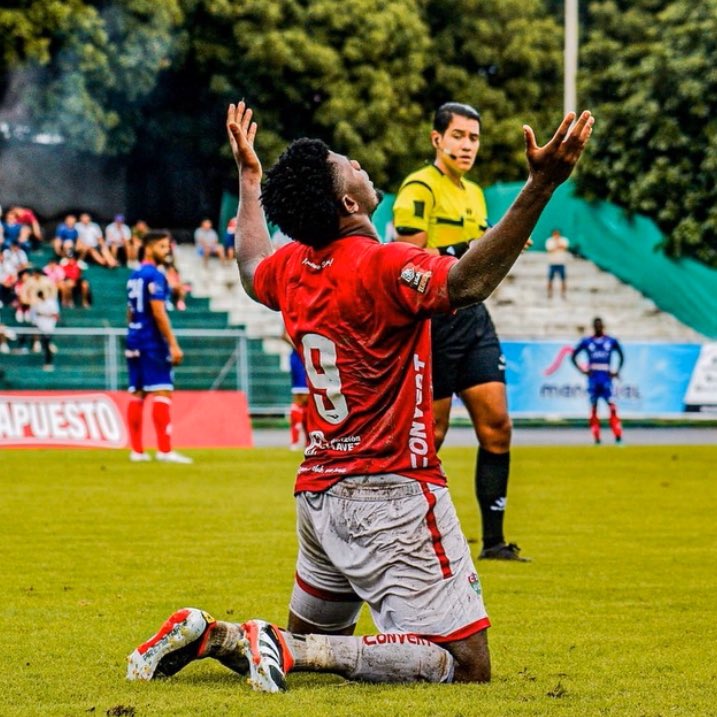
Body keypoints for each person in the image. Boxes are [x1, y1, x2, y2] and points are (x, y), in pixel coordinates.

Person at [126, 101, 593, 690]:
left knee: (316, 642)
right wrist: (541, 185)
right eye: (346, 164)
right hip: (391, 489)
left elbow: (249, 265)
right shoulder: (382, 264)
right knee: (467, 666)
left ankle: (216, 636)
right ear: (348, 203)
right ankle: (280, 646)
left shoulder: (292, 266)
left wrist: (249, 178)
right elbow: (468, 281)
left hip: (319, 495)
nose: (358, 163)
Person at [393, 102, 524, 562]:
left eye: (474, 138)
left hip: (474, 318)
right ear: (437, 139)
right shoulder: (418, 188)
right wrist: (470, 246)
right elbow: (404, 259)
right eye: (459, 136)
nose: (467, 145)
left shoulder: (476, 193)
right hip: (433, 322)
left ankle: (494, 542)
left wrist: (502, 246)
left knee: (498, 426)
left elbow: (481, 258)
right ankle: (406, 536)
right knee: (432, 432)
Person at [125, 229, 192, 464]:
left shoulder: (134, 275)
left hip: (133, 337)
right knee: (162, 391)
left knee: (138, 393)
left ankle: (137, 451)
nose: (167, 251)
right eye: (163, 247)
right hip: (152, 340)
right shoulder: (155, 276)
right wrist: (173, 344)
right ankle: (164, 450)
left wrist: (133, 331)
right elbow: (158, 312)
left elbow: (130, 312)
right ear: (150, 247)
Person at [571, 317, 624, 445]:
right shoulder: (587, 342)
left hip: (606, 378)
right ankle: (597, 437)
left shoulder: (611, 341)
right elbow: (573, 356)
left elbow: (621, 355)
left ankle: (617, 436)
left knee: (612, 407)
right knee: (594, 408)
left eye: (600, 325)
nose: (598, 328)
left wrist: (616, 370)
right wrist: (582, 370)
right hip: (593, 379)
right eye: (596, 326)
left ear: (603, 326)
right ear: (593, 327)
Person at [282, 329, 309, 450]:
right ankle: (295, 440)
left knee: (310, 402)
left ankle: (309, 440)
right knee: (301, 397)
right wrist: (299, 346)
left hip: (309, 354)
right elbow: (284, 334)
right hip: (299, 357)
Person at [29, 289, 59, 371]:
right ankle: (37, 342)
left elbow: (55, 315)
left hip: (49, 326)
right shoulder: (37, 304)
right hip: (40, 326)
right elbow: (34, 316)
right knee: (44, 342)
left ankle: (49, 362)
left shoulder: (51, 303)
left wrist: (45, 314)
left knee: (47, 342)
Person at [545, 228, 570, 299]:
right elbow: (549, 249)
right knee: (550, 279)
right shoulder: (549, 241)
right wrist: (557, 245)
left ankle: (563, 294)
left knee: (563, 280)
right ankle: (549, 294)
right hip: (552, 263)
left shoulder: (563, 240)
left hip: (561, 263)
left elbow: (565, 247)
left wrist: (557, 244)